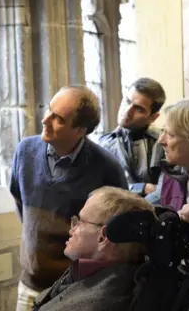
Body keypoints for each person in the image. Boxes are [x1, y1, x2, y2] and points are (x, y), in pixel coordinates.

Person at [10, 85, 128, 311]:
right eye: (49, 110)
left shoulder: (106, 168)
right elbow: (20, 203)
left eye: (59, 119)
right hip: (29, 285)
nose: (45, 120)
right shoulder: (25, 152)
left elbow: (116, 236)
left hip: (76, 290)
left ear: (80, 130)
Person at [32, 187, 153, 311]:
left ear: (103, 237)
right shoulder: (126, 279)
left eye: (80, 222)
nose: (71, 230)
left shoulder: (101, 303)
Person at [99, 78, 166, 203]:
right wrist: (143, 188)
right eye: (127, 101)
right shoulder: (104, 144)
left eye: (139, 109)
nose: (127, 111)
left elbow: (168, 190)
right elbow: (104, 191)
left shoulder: (165, 142)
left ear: (153, 117)